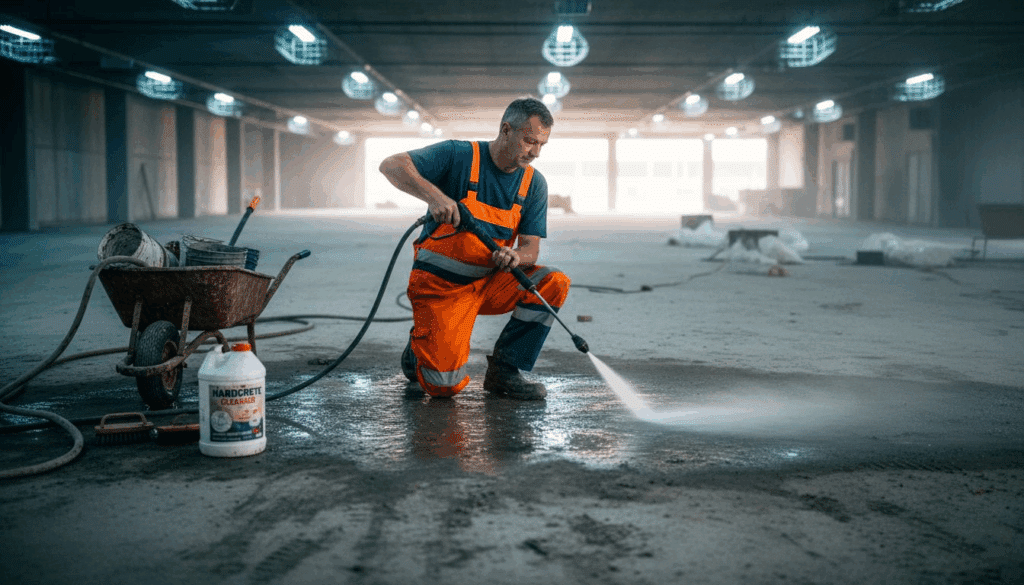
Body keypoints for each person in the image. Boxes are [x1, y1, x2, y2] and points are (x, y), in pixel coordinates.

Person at [379, 97, 570, 400]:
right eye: (529, 141)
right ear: (506, 130)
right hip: (442, 289)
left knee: (552, 282)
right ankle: (419, 350)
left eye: (541, 145)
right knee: (444, 387)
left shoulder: (534, 184)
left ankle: (505, 371)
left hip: (490, 282)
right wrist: (435, 197)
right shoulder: (459, 155)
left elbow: (531, 250)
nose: (534, 152)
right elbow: (391, 165)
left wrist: (515, 257)